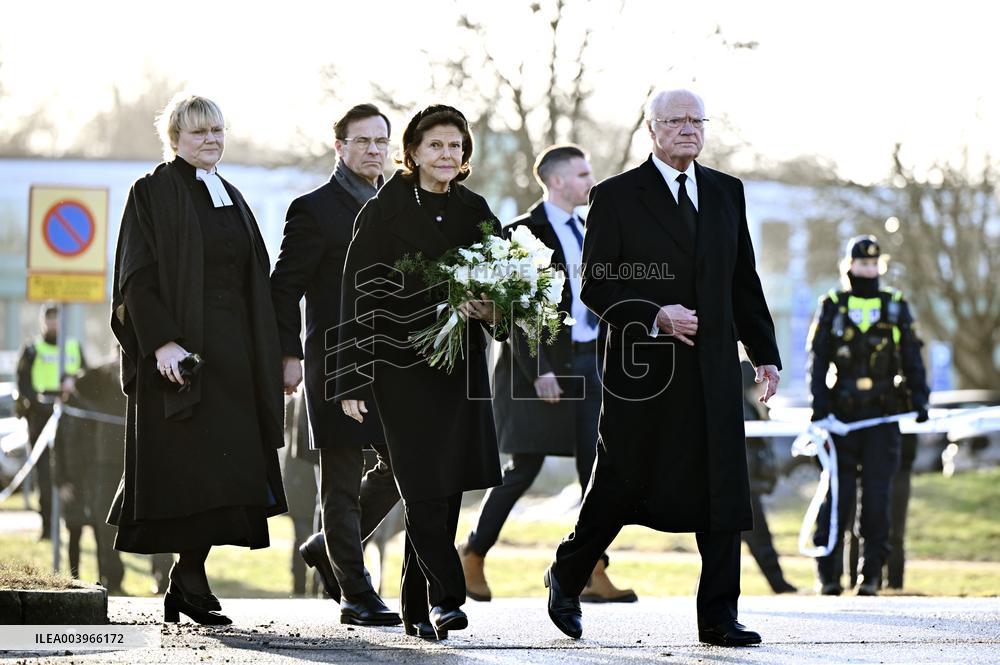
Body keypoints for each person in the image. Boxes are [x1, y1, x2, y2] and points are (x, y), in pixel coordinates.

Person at [544, 88, 781, 647]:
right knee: (620, 483)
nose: (688, 130)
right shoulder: (618, 196)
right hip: (643, 374)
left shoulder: (728, 192)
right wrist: (655, 314)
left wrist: (764, 353)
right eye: (675, 121)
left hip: (715, 368)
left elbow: (742, 281)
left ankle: (719, 617)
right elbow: (595, 285)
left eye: (697, 120)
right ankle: (568, 574)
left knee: (723, 487)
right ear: (652, 129)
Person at [107, 94, 287, 625]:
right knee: (188, 475)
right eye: (199, 132)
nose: (211, 139)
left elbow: (253, 277)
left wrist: (277, 351)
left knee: (225, 477)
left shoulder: (229, 193)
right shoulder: (151, 192)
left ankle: (187, 577)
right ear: (175, 138)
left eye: (217, 130)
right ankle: (190, 581)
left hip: (234, 360)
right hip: (179, 362)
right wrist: (161, 342)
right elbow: (136, 275)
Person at [336, 104, 504, 640]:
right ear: (411, 153)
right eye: (436, 145)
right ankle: (447, 597)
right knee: (420, 481)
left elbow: (506, 289)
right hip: (397, 369)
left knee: (444, 486)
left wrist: (492, 309)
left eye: (456, 146)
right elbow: (353, 299)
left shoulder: (476, 210)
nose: (447, 155)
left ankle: (413, 606)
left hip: (459, 370)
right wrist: (351, 377)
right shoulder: (382, 212)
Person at [460, 144, 636, 604]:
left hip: (589, 363)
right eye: (582, 174)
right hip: (534, 370)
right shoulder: (520, 233)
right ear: (556, 181)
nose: (589, 182)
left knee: (595, 468)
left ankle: (590, 569)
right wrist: (540, 369)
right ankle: (472, 555)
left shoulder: (589, 228)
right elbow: (513, 310)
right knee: (523, 468)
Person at [270, 103, 401, 626]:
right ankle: (355, 591)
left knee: (404, 466)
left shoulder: (400, 205)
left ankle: (329, 545)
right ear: (340, 147)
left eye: (380, 142)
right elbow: (284, 289)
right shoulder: (313, 209)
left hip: (392, 366)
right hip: (334, 362)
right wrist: (288, 355)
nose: (374, 151)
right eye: (363, 142)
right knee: (341, 479)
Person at [807, 234, 929, 596]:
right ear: (850, 266)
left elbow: (912, 356)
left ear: (880, 266)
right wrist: (819, 407)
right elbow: (816, 360)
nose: (868, 269)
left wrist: (920, 399)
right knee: (837, 499)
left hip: (882, 416)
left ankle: (870, 577)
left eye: (873, 264)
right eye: (862, 264)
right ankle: (828, 577)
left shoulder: (895, 305)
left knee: (877, 499)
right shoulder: (831, 305)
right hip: (841, 416)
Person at [52, 354, 126, 593]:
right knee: (102, 524)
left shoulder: (145, 368)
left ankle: (162, 576)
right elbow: (82, 386)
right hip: (105, 463)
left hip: (139, 458)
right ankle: (111, 577)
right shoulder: (102, 378)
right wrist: (109, 362)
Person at [15, 303, 86, 540]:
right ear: (43, 321)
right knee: (44, 476)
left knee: (73, 471)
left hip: (70, 419)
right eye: (49, 320)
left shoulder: (74, 347)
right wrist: (38, 405)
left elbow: (86, 380)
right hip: (41, 418)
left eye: (57, 320)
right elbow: (23, 384)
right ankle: (48, 527)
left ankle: (74, 525)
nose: (53, 324)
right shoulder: (32, 349)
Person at [739, 361, 797, 594]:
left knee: (733, 542)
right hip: (745, 486)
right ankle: (779, 585)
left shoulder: (752, 406)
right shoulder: (745, 408)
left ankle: (779, 584)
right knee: (760, 539)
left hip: (749, 485)